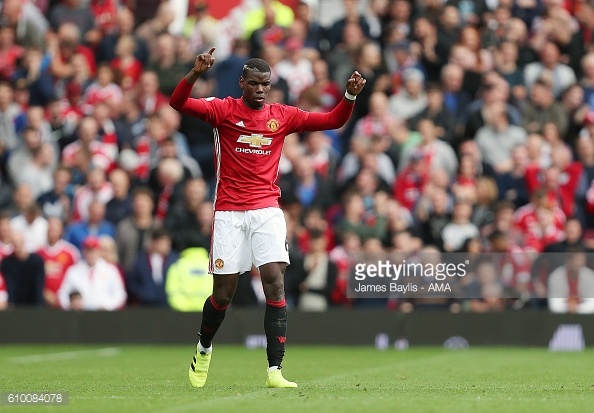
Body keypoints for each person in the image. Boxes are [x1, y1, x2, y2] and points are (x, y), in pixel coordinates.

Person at [169, 48, 366, 388]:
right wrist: (194, 73)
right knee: (224, 295)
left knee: (274, 280)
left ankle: (275, 371)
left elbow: (333, 120)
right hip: (229, 211)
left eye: (266, 84)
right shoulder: (223, 110)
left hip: (266, 209)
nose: (261, 90)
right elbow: (178, 103)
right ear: (242, 83)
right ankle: (203, 347)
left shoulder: (282, 115)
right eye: (255, 84)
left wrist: (349, 95)